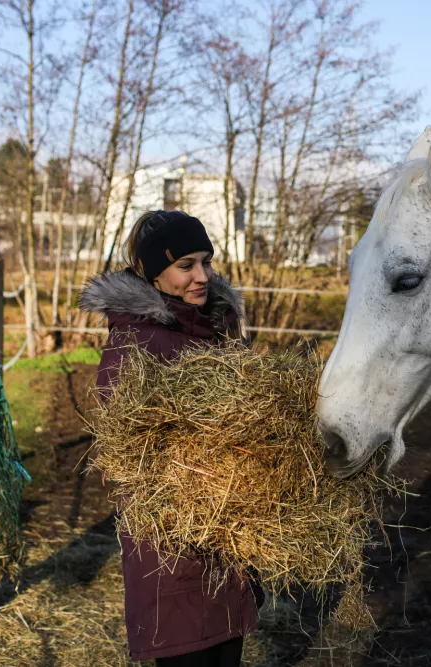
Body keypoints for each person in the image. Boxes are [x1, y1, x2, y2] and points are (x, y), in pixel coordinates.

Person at [79, 210, 262, 667]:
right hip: (175, 554)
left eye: (205, 262)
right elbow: (124, 466)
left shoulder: (215, 332)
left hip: (228, 546)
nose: (201, 276)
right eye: (186, 265)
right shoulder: (136, 347)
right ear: (151, 271)